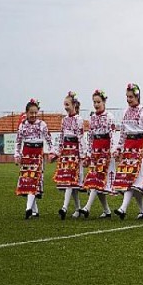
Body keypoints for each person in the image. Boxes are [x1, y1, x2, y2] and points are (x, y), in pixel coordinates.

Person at [113, 83, 143, 220]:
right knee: (130, 179)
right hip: (129, 147)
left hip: (140, 146)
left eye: (131, 97)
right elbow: (123, 132)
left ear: (137, 96)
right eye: (127, 97)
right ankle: (142, 210)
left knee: (133, 179)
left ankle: (123, 208)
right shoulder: (125, 112)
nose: (128, 99)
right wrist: (119, 148)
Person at [80, 90, 116, 218]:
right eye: (94, 102)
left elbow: (112, 136)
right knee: (96, 181)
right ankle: (106, 211)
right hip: (95, 152)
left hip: (105, 153)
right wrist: (89, 154)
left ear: (104, 102)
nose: (96, 104)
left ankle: (87, 207)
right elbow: (90, 137)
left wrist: (111, 151)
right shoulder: (92, 118)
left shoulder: (109, 117)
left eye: (98, 102)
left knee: (97, 180)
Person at [15, 98, 53, 219]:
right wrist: (17, 155)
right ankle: (33, 210)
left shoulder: (42, 124)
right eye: (31, 112)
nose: (33, 115)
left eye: (36, 112)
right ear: (26, 113)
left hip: (38, 155)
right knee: (28, 181)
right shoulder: (22, 125)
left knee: (34, 181)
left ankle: (28, 209)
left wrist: (52, 152)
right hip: (26, 155)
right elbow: (18, 142)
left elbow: (49, 140)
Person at [52, 91, 86, 220]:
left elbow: (80, 138)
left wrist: (82, 155)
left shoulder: (79, 120)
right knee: (71, 184)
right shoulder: (64, 120)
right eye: (64, 104)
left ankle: (64, 207)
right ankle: (77, 209)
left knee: (70, 182)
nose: (65, 107)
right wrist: (57, 153)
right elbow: (61, 138)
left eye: (67, 104)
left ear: (74, 105)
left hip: (75, 154)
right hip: (66, 153)